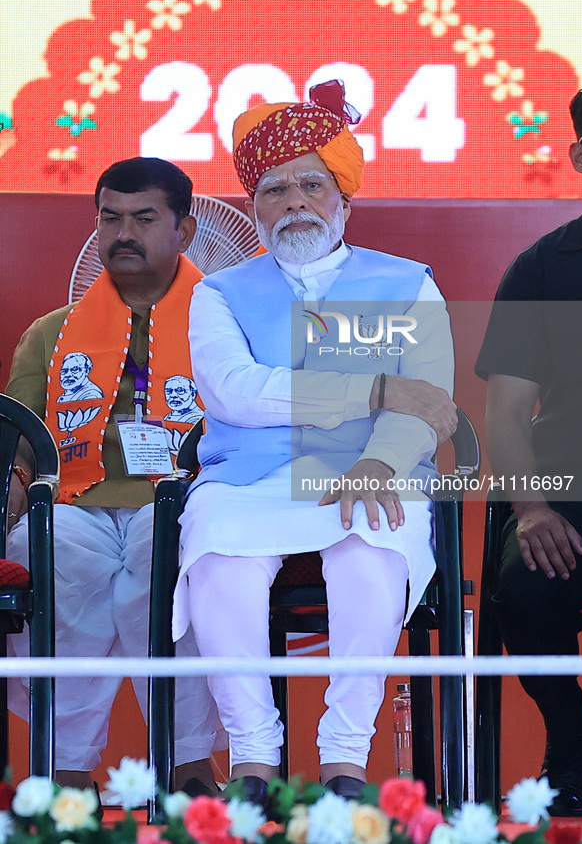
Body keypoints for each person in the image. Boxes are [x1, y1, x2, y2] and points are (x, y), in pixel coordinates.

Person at [172, 80, 457, 805]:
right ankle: (253, 758)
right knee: (217, 554)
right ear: (251, 207)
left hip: (369, 468)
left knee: (368, 547)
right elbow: (233, 390)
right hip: (248, 479)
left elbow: (423, 399)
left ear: (344, 199)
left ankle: (343, 761)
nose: (293, 202)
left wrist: (377, 459)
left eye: (311, 184)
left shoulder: (406, 285)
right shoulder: (220, 292)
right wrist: (365, 390)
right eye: (273, 190)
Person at [6, 157, 222, 796]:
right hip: (72, 502)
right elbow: (18, 442)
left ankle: (187, 763)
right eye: (110, 218)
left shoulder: (225, 325)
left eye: (144, 218)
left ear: (183, 232)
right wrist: (13, 496)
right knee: (41, 554)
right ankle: (65, 767)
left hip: (185, 497)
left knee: (175, 566)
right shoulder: (51, 334)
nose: (123, 233)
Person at [476, 79, 582, 816]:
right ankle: (573, 738)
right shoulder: (543, 266)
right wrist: (530, 506)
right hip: (570, 490)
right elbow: (507, 411)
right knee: (522, 586)